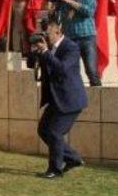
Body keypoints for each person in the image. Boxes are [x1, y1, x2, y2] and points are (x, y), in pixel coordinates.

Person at [32, 18, 88, 179]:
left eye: (48, 34)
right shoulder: (48, 49)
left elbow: (62, 69)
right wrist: (35, 52)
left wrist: (45, 52)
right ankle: (73, 158)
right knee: (43, 129)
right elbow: (36, 66)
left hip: (70, 99)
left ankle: (55, 170)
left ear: (58, 32)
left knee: (55, 132)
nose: (46, 37)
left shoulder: (71, 47)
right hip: (56, 99)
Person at [51, 0, 101, 86]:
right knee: (69, 71)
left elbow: (89, 12)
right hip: (70, 39)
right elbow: (60, 18)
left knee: (91, 70)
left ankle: (99, 96)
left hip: (87, 38)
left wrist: (70, 2)